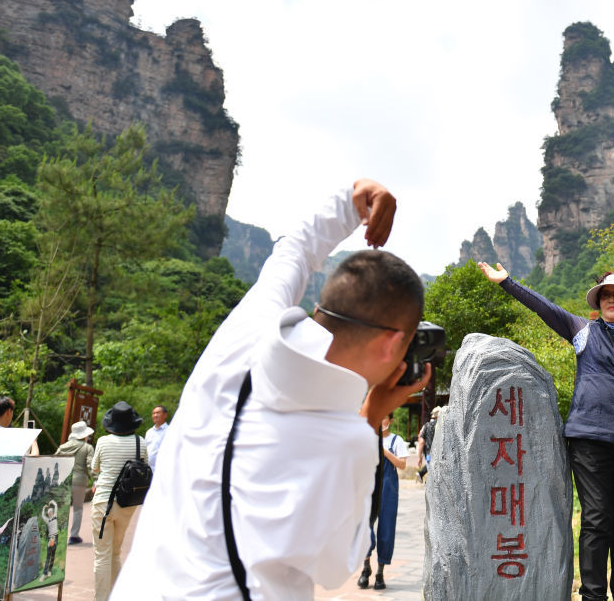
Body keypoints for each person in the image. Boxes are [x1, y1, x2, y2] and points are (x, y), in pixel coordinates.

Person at [112, 179, 430, 600]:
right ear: (393, 344)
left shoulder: (245, 332)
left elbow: (295, 249)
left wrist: (357, 198)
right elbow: (338, 567)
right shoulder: (346, 440)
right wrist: (370, 417)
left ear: (320, 310)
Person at [479, 261, 614, 601]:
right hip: (589, 440)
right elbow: (546, 308)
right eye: (605, 295)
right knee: (598, 519)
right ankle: (593, 596)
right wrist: (507, 283)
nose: (610, 299)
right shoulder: (584, 331)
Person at [91, 401, 148, 601]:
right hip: (127, 503)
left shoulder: (103, 442)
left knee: (102, 555)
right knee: (115, 552)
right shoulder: (141, 442)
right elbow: (143, 468)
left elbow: (95, 468)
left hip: (103, 503)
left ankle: (101, 599)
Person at [357, 413, 409, 590]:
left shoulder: (397, 441)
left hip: (389, 488)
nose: (382, 420)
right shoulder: (367, 439)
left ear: (391, 421)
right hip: (369, 487)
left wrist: (383, 450)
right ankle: (365, 568)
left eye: (385, 417)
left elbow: (402, 465)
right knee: (365, 527)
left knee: (386, 529)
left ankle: (380, 572)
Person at [55, 420, 94, 544]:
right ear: (84, 435)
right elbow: (90, 465)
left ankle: (58, 536)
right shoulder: (87, 447)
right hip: (79, 481)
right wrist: (96, 480)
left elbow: (54, 462)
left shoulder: (63, 447)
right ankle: (73, 535)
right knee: (77, 508)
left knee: (61, 508)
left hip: (63, 481)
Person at [415, 405, 440, 480]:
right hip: (442, 455)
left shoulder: (427, 426)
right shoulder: (445, 425)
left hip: (430, 454)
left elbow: (421, 442)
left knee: (432, 478)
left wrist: (419, 457)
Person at [144, 405, 169, 473]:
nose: (155, 415)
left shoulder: (170, 431)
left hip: (164, 470)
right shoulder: (149, 432)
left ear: (165, 415)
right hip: (148, 471)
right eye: (153, 413)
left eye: (158, 413)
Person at [40, 500, 59, 580]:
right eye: (49, 512)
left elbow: (56, 506)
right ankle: (44, 573)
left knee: (53, 555)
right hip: (51, 538)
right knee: (48, 556)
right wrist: (44, 508)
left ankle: (50, 571)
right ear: (48, 514)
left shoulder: (55, 516)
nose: (50, 513)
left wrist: (52, 502)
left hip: (55, 536)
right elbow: (42, 516)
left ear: (53, 512)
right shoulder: (47, 520)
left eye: (51, 512)